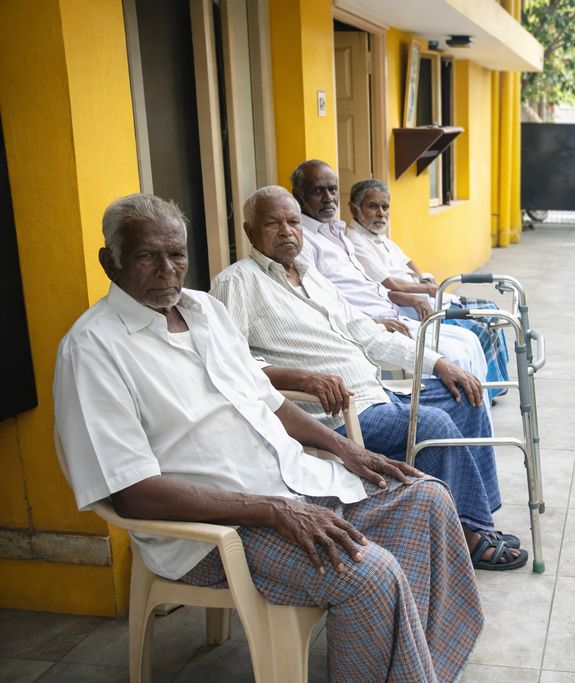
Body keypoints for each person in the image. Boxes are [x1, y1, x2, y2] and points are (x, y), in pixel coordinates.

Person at [54, 193, 484, 681]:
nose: (167, 270)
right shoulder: (92, 350)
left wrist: (348, 450)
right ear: (110, 262)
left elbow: (270, 402)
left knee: (428, 499)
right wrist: (272, 509)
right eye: (147, 256)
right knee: (368, 575)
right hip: (224, 530)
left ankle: (418, 670)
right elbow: (131, 493)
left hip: (291, 484)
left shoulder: (205, 312)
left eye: (176, 254)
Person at [210, 186, 526, 570]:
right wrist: (301, 378)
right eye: (272, 223)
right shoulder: (237, 282)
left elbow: (368, 333)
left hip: (375, 393)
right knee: (434, 425)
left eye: (293, 222)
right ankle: (470, 537)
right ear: (249, 231)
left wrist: (438, 362)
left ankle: (475, 522)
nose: (286, 231)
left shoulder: (312, 278)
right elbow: (232, 364)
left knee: (464, 395)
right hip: (336, 417)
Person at [288, 159, 489, 388]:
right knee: (455, 356)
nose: (328, 198)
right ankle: (442, 417)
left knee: (470, 341)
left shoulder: (337, 232)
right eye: (317, 191)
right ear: (298, 195)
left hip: (393, 313)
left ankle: (475, 412)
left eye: (332, 190)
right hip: (372, 327)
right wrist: (375, 322)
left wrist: (409, 298)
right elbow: (318, 304)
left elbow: (369, 287)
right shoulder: (303, 242)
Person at [344, 178, 511, 400]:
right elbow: (390, 284)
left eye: (385, 207)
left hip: (424, 295)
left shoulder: (379, 237)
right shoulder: (355, 241)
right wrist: (428, 289)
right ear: (355, 209)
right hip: (409, 304)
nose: (381, 213)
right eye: (373, 206)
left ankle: (496, 383)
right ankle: (487, 390)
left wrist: (423, 278)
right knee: (479, 325)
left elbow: (408, 261)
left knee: (490, 311)